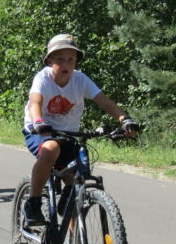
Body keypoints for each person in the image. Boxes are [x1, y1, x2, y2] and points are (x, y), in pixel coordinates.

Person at [21, 34, 139, 226]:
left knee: (76, 180)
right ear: (49, 61)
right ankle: (33, 204)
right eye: (60, 59)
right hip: (41, 131)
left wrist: (124, 119)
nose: (66, 64)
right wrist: (39, 122)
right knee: (51, 148)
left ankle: (74, 240)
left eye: (71, 59)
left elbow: (104, 101)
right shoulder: (43, 78)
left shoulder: (80, 79)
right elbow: (35, 102)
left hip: (69, 135)